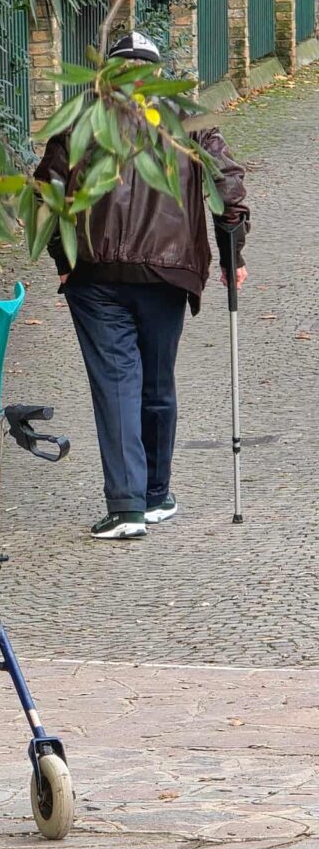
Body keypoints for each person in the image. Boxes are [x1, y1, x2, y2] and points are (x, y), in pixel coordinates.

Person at [35, 31, 250, 540]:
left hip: (95, 274)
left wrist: (64, 260)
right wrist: (231, 258)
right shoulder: (188, 120)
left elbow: (46, 195)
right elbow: (228, 189)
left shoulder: (80, 121)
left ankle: (127, 506)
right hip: (169, 272)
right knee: (157, 380)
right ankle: (156, 495)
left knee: (116, 383)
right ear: (158, 71)